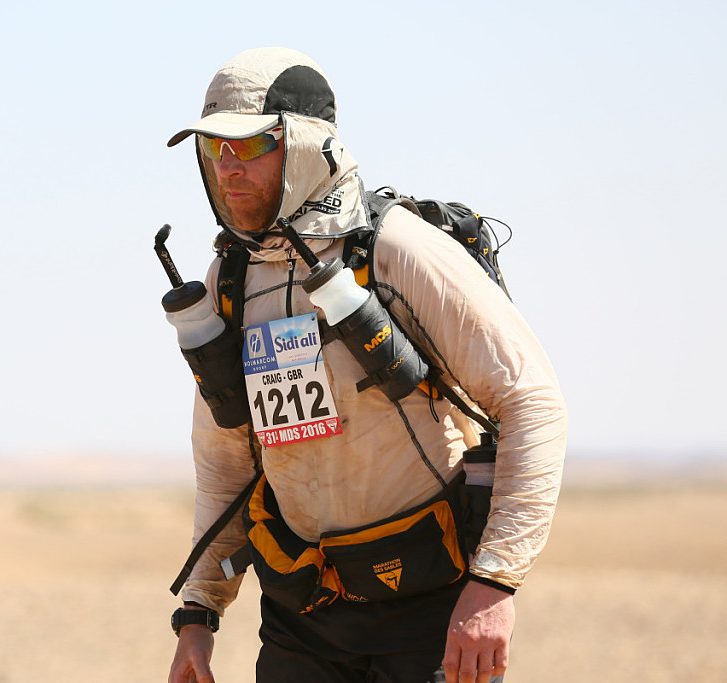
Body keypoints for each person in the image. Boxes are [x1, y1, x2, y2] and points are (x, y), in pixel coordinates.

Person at [164, 47, 568, 683]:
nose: (227, 167)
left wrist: (495, 583)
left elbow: (532, 404)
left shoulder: (398, 250)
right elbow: (227, 457)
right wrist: (199, 612)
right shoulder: (231, 278)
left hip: (430, 609)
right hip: (301, 613)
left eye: (250, 145)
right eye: (214, 148)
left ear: (305, 147)